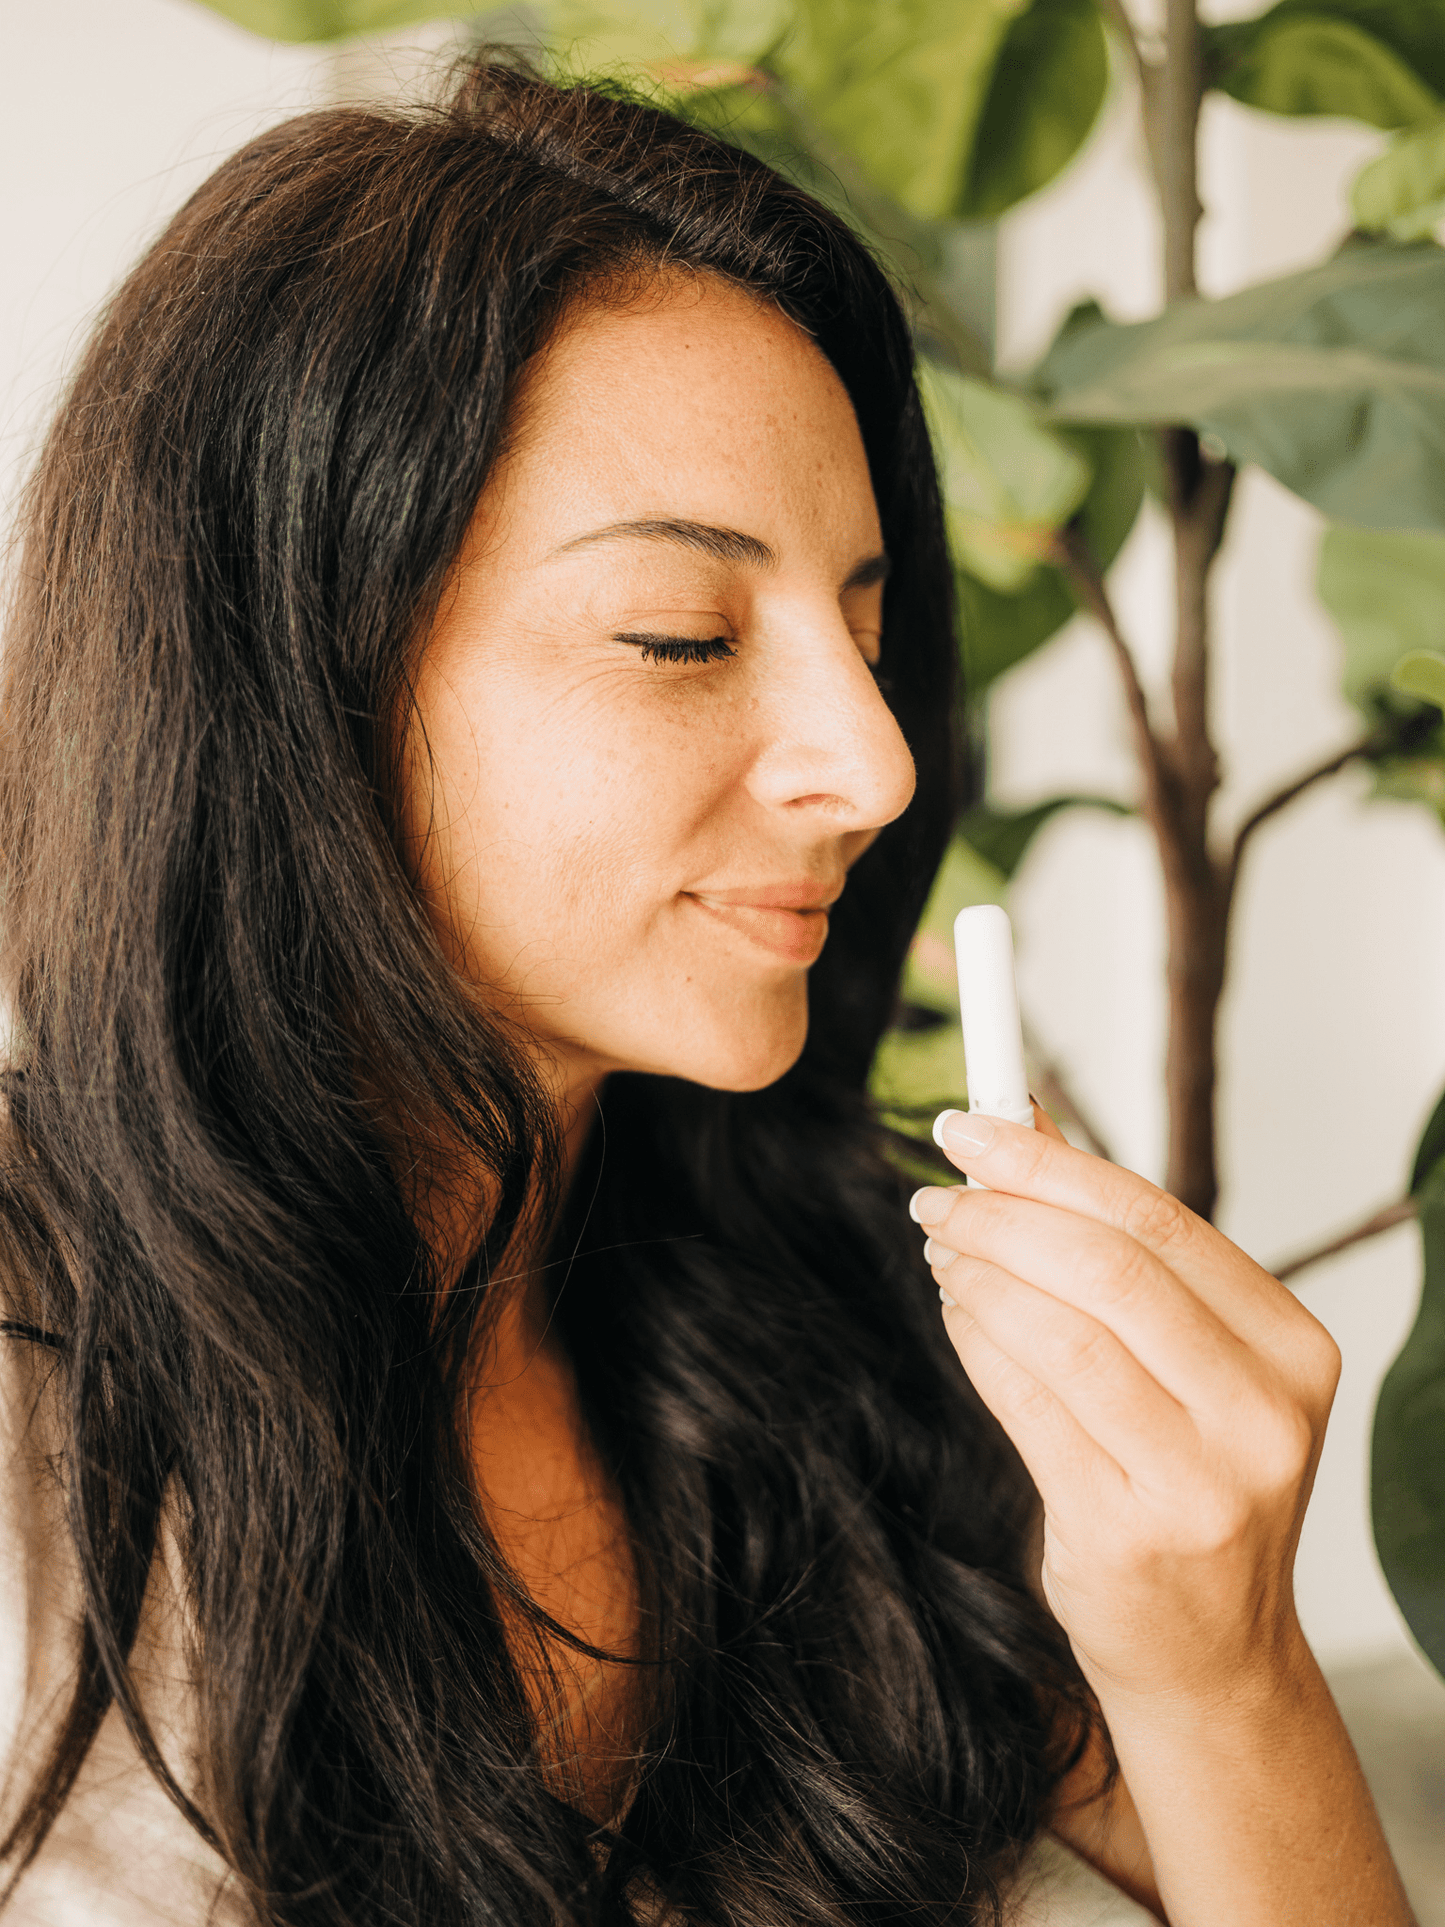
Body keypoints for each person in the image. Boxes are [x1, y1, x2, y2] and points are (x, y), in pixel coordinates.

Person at [0, 53, 1414, 1927]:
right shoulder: (43, 1419)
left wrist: (1224, 1673)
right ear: (294, 674)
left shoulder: (862, 1337)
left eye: (875, 625)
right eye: (686, 632)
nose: (880, 762)